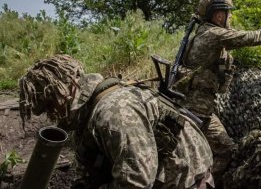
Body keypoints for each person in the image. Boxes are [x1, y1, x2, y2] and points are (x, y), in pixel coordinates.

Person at [19, 54, 214, 189]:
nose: (51, 116)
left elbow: (137, 181)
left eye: (50, 107)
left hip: (186, 182)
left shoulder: (114, 112)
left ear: (64, 92)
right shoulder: (88, 112)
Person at [172, 0, 261, 186]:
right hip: (195, 110)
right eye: (228, 14)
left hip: (200, 108)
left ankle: (206, 181)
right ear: (218, 16)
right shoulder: (214, 34)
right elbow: (247, 38)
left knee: (225, 149)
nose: (230, 18)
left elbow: (245, 38)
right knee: (220, 150)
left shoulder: (206, 31)